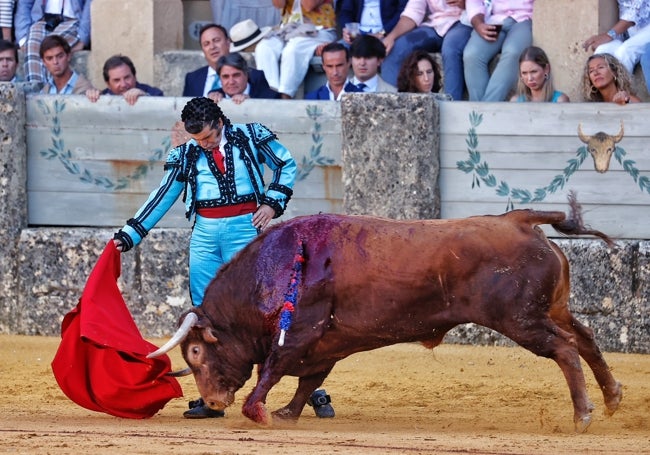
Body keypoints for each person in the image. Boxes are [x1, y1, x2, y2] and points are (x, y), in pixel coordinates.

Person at [112, 97, 297, 419]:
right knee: (204, 315)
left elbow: (286, 164)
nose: (205, 145)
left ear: (220, 122)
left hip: (246, 229)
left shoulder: (251, 135)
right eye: (198, 140)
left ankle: (308, 386)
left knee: (268, 307)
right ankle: (212, 392)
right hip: (205, 235)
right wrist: (131, 233)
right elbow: (163, 195)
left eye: (209, 137)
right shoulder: (187, 153)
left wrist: (271, 202)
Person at [381, 0, 472, 101]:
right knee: (395, 49)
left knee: (451, 50)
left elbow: (487, 5)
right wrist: (391, 37)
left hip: (465, 21)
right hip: (436, 24)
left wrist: (467, 4)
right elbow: (413, 12)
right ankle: (391, 106)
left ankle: (452, 107)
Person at [254, 0, 337, 99]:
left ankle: (285, 96)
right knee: (264, 47)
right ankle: (270, 94)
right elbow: (278, 4)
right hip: (290, 28)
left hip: (318, 30)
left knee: (293, 49)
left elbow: (308, 5)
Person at [463, 0, 534, 101]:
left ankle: (485, 109)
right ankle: (478, 110)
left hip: (524, 18)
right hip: (493, 19)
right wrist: (478, 24)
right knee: (472, 55)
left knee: (512, 52)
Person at [15, 0, 92, 84]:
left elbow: (89, 4)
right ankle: (35, 91)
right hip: (42, 19)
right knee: (32, 46)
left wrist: (83, 39)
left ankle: (50, 92)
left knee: (53, 46)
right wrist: (22, 37)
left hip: (73, 20)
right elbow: (24, 3)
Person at [582, 1, 650, 76]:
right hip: (629, 30)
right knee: (602, 51)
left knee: (625, 52)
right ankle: (601, 87)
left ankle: (621, 86)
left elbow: (635, 13)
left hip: (645, 26)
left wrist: (608, 35)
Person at [85, 55, 163, 105]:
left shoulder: (153, 93)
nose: (123, 84)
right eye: (116, 80)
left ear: (134, 76)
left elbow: (163, 106)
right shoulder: (103, 97)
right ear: (108, 84)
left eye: (127, 78)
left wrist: (145, 98)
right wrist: (90, 98)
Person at [183, 23, 231, 100]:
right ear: (202, 49)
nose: (212, 47)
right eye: (206, 44)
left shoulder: (252, 76)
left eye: (216, 40)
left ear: (228, 43)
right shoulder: (192, 79)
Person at [213, 52, 280, 103]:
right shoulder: (214, 96)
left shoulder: (270, 98)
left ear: (246, 75)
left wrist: (251, 103)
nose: (231, 82)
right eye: (225, 77)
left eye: (236, 75)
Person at [337, 0, 408, 45]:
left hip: (386, 34)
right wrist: (347, 29)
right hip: (358, 34)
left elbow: (403, 12)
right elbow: (345, 11)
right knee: (335, 53)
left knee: (393, 53)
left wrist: (382, 33)